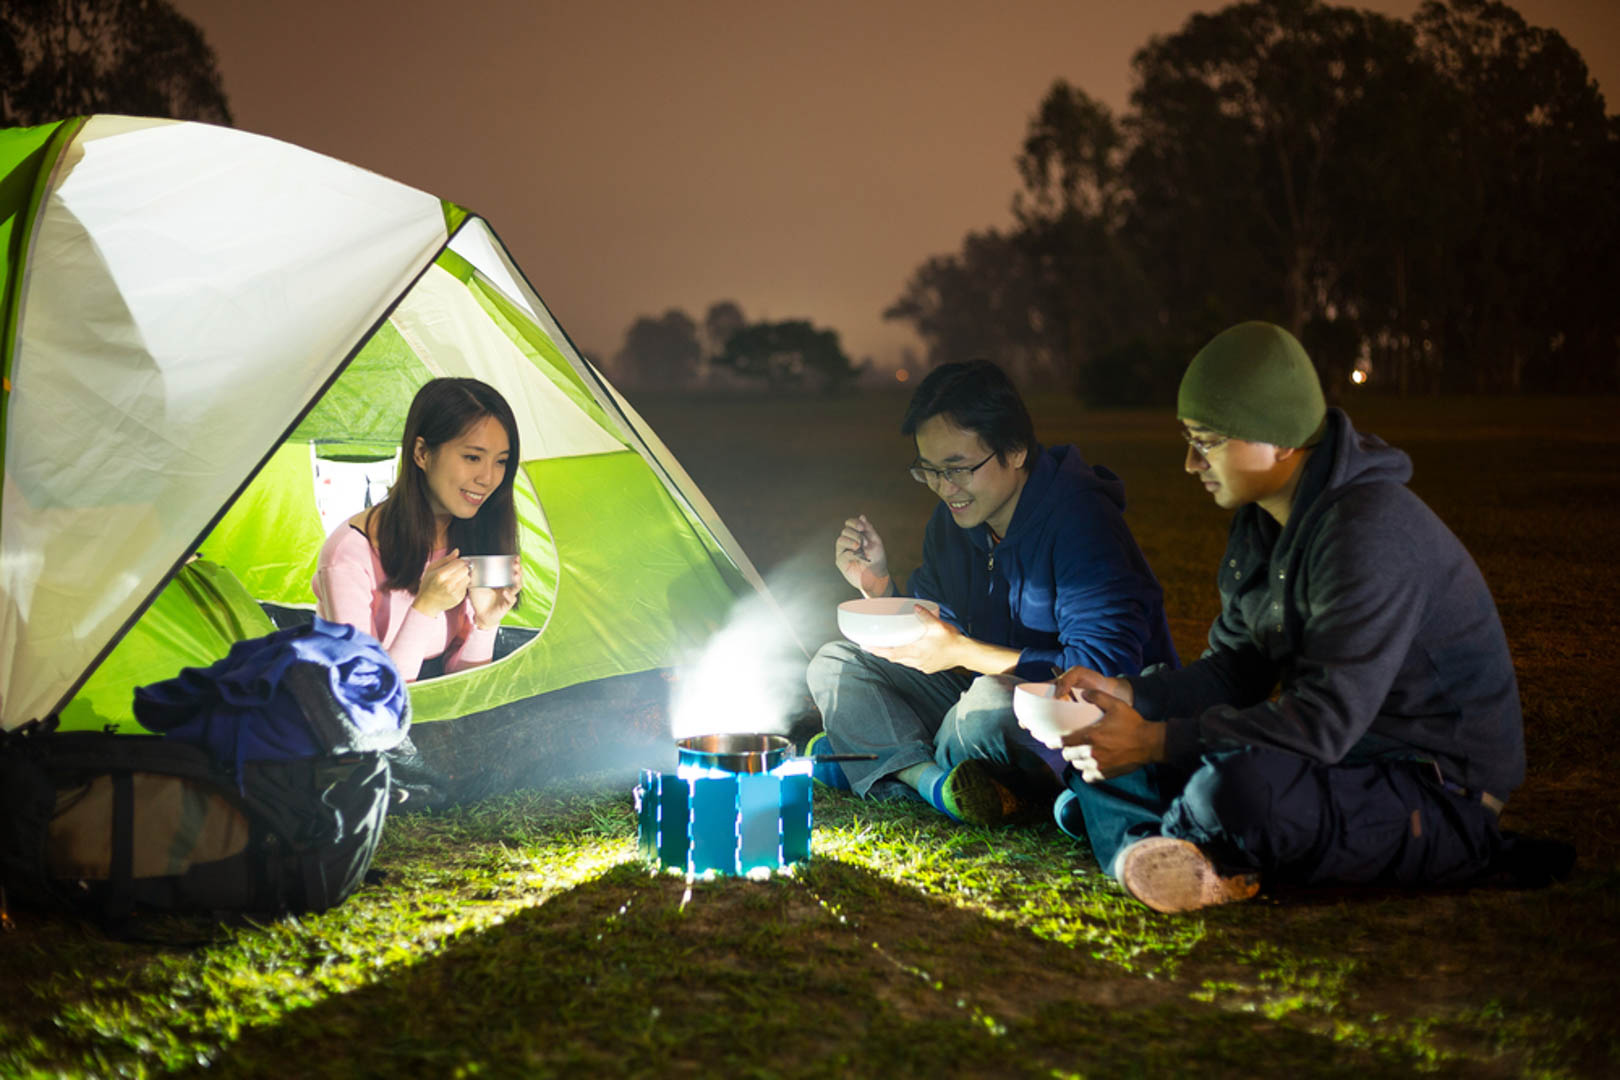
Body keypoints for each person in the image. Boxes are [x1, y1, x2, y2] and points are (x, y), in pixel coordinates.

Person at [1044, 321, 1528, 913]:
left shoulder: (1367, 531)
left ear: (1276, 440)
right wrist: (1125, 696)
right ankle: (1157, 856)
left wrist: (1152, 744)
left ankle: (1149, 837)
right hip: (1333, 760)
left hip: (1431, 788)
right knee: (1119, 718)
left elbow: (1323, 722)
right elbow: (1233, 673)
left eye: (1208, 440)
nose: (1191, 462)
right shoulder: (1261, 521)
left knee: (1231, 790)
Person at [806, 359, 1178, 826]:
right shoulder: (952, 522)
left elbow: (1102, 671)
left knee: (985, 709)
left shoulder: (1083, 523)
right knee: (837, 664)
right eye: (930, 470)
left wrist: (963, 651)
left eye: (959, 469)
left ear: (1016, 450)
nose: (945, 488)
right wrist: (878, 586)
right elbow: (937, 626)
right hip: (972, 690)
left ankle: (878, 756)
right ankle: (931, 781)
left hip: (1077, 713)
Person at [314, 377, 523, 683]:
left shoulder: (469, 534)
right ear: (422, 453)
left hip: (430, 714)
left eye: (501, 461)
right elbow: (367, 693)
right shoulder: (349, 553)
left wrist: (485, 623)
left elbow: (461, 688)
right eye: (472, 457)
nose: (489, 478)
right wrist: (425, 607)